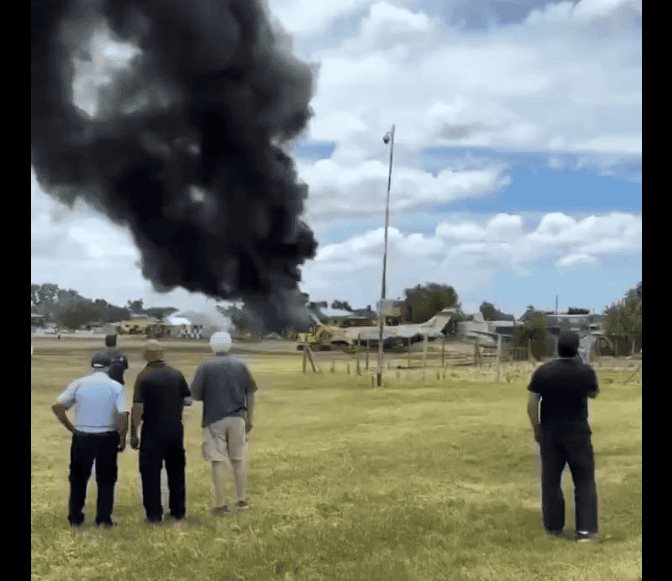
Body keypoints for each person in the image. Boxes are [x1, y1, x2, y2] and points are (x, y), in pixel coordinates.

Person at [527, 330, 601, 542]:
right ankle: (586, 531)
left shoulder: (543, 372)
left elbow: (532, 403)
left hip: (551, 432)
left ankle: (553, 527)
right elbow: (594, 393)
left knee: (550, 480)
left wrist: (537, 428)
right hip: (578, 432)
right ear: (576, 348)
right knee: (584, 480)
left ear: (558, 348)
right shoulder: (585, 371)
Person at [51, 352, 129, 527]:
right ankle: (103, 518)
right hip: (107, 437)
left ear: (92, 366)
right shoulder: (114, 386)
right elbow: (123, 414)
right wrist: (122, 437)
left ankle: (75, 516)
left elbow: (58, 407)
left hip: (82, 436)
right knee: (106, 479)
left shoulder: (79, 383)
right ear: (109, 367)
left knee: (78, 478)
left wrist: (71, 427)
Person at [191, 331, 257, 514]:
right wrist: (250, 418)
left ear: (212, 346)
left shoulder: (205, 367)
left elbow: (194, 394)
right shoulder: (241, 365)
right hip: (238, 418)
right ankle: (242, 500)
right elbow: (251, 392)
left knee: (218, 460)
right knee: (238, 459)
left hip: (215, 418)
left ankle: (220, 503)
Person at [130, 340, 191, 523]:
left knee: (150, 473)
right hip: (174, 430)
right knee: (176, 471)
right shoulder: (176, 374)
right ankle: (178, 511)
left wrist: (134, 432)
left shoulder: (144, 377)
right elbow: (187, 401)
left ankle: (154, 514)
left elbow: (138, 407)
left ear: (146, 355)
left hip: (152, 431)